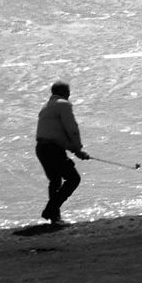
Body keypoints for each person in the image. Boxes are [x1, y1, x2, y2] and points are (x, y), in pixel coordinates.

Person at [35, 81, 90, 224]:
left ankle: (54, 217)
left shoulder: (46, 107)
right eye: (69, 93)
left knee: (55, 180)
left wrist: (75, 151)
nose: (70, 96)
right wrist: (78, 149)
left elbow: (55, 134)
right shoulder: (63, 105)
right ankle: (50, 210)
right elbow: (71, 128)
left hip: (41, 148)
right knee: (73, 179)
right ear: (65, 93)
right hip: (52, 149)